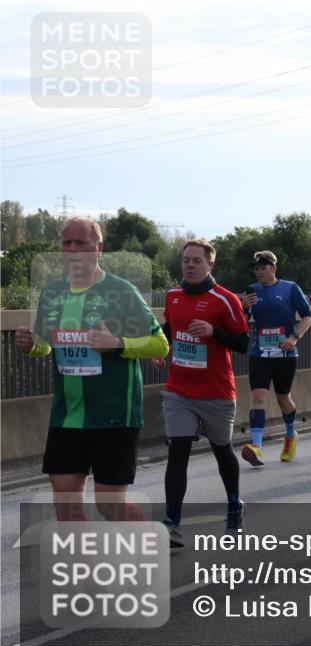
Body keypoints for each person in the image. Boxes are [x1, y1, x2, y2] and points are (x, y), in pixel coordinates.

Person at [14, 217, 168, 522]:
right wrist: (32, 345)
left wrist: (118, 344)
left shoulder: (122, 292)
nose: (72, 250)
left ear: (98, 248)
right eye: (66, 243)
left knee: (110, 507)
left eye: (80, 243)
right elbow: (48, 344)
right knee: (67, 509)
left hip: (114, 415)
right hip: (67, 415)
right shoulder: (52, 293)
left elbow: (160, 344)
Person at [158, 240, 249, 547]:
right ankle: (172, 522)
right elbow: (169, 330)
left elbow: (243, 343)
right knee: (177, 454)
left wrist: (214, 333)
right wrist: (163, 348)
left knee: (222, 450)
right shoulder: (172, 296)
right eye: (186, 260)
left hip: (216, 391)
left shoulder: (224, 300)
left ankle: (235, 506)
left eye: (197, 260)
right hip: (179, 390)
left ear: (210, 265)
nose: (190, 265)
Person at [239, 251, 311, 465]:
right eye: (257, 268)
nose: (259, 271)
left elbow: (307, 316)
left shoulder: (290, 288)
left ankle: (291, 434)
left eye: (264, 267)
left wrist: (294, 337)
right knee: (259, 397)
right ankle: (257, 447)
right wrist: (243, 307)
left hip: (285, 352)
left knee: (283, 398)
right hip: (260, 352)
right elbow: (241, 323)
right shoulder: (252, 291)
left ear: (273, 269)